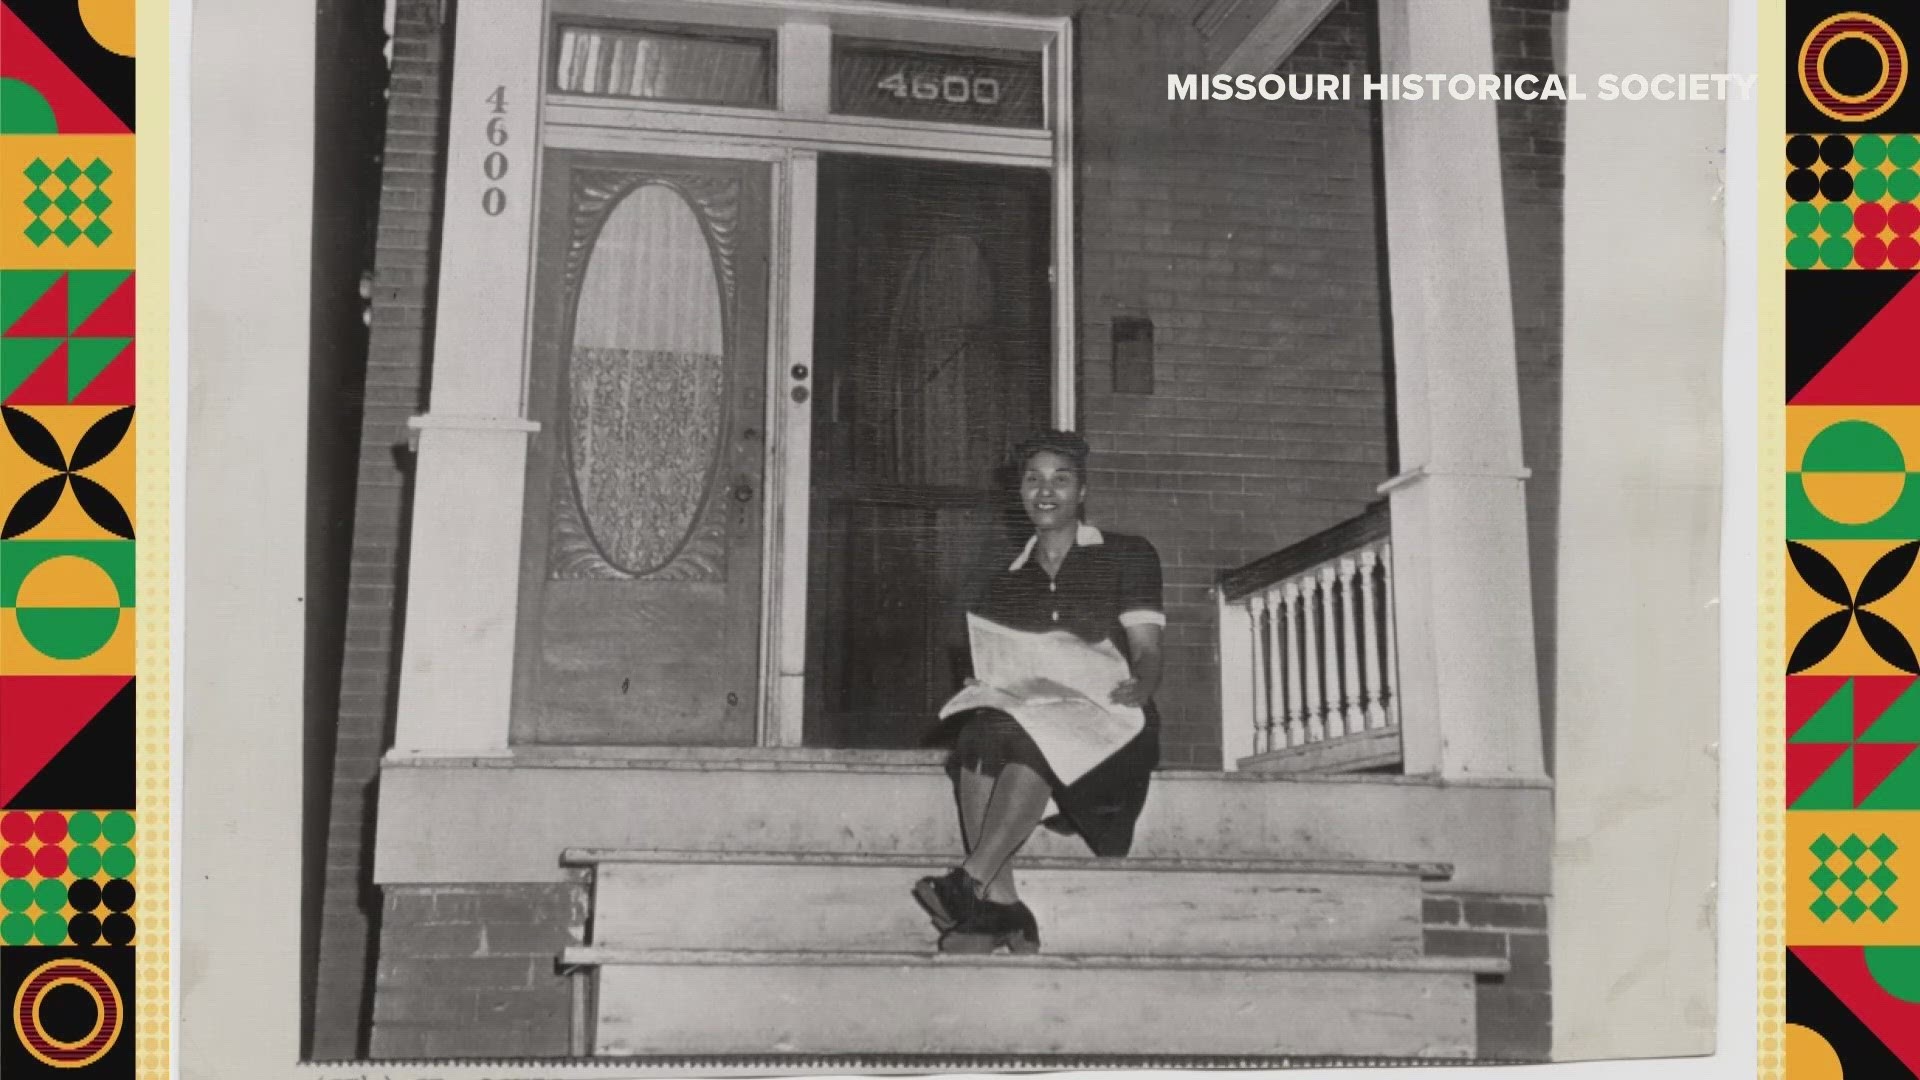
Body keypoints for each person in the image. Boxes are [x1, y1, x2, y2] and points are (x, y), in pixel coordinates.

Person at [913, 429, 1166, 953]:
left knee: (1027, 735)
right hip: (1036, 719)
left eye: (1061, 479)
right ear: (1020, 491)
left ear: (1082, 491)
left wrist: (1144, 681)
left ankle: (972, 881)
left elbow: (1146, 648)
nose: (1045, 491)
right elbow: (1003, 664)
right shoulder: (1003, 580)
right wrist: (984, 684)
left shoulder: (1127, 554)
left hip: (1113, 722)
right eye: (1033, 479)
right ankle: (999, 903)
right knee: (986, 727)